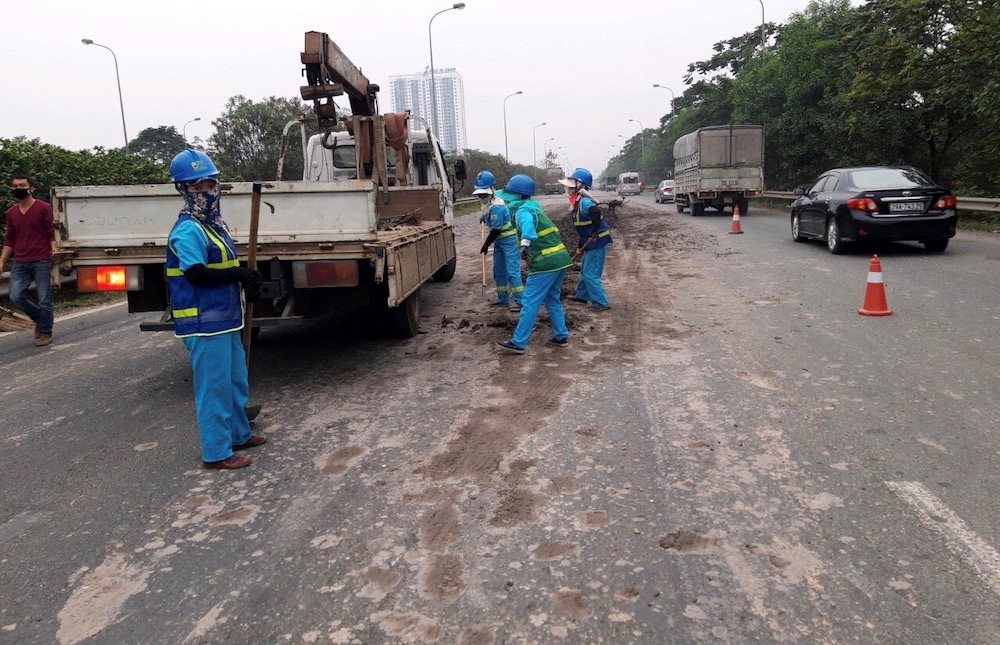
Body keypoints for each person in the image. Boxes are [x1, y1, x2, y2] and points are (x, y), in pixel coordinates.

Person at [166, 150, 267, 470]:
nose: (205, 192)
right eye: (196, 187)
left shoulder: (213, 225)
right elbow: (196, 273)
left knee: (235, 380)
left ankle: (239, 433)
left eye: (209, 184)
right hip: (202, 323)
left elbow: (222, 265)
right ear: (182, 191)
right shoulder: (188, 230)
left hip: (224, 319)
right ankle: (216, 452)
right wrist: (237, 274)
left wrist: (245, 279)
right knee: (214, 388)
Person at [495, 174, 573, 354]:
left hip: (545, 263)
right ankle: (561, 335)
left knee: (530, 302)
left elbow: (528, 228)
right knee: (552, 299)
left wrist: (524, 244)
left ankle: (518, 342)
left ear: (517, 196)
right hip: (560, 261)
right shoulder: (534, 209)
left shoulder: (523, 212)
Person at [1, 173, 57, 347]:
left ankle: (45, 332)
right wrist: (2, 261)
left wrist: (54, 251)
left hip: (41, 259)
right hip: (20, 261)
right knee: (16, 296)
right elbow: (9, 240)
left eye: (22, 185)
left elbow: (51, 232)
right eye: (15, 186)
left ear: (31, 188)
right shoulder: (11, 213)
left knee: (44, 299)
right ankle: (41, 319)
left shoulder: (43, 208)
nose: (19, 189)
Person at [559, 167, 612, 311]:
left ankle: (601, 303)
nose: (567, 189)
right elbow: (583, 227)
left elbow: (595, 212)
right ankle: (582, 296)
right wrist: (580, 245)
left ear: (579, 186)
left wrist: (593, 233)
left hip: (597, 241)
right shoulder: (577, 202)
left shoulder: (585, 202)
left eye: (570, 187)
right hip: (590, 242)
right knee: (584, 271)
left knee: (590, 274)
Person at [474, 170, 523, 310]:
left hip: (509, 241)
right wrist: (483, 218)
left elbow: (495, 230)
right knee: (499, 271)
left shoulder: (497, 206)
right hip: (500, 243)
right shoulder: (490, 204)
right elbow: (488, 216)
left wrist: (485, 245)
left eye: (484, 194)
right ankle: (503, 299)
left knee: (513, 272)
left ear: (492, 190)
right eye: (480, 194)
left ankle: (520, 301)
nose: (482, 196)